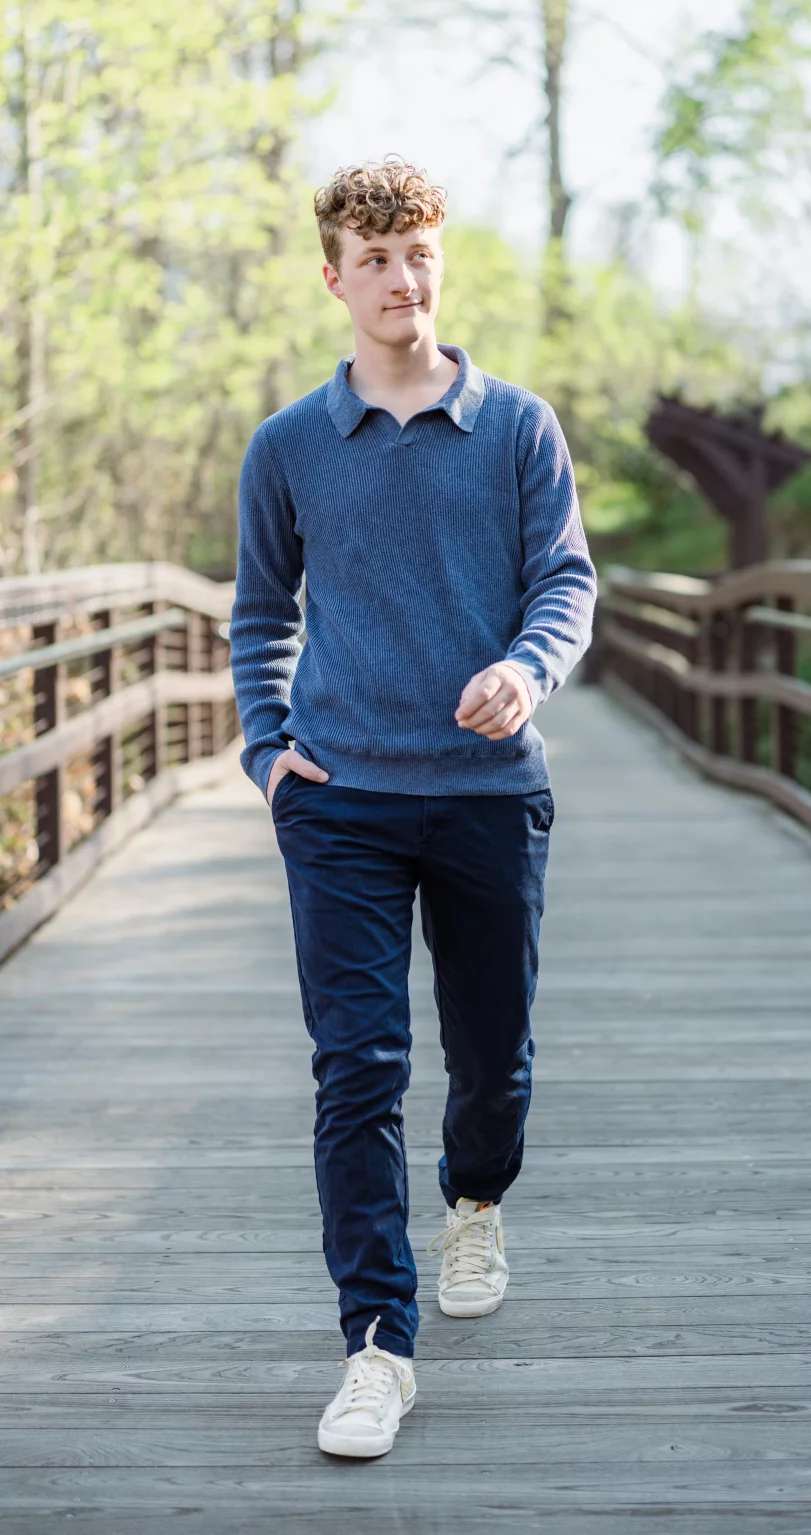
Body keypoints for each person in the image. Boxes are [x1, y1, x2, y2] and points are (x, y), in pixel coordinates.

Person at [229, 156, 596, 1459]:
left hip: (493, 795)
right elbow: (261, 614)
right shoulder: (287, 447)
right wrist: (265, 749)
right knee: (360, 1065)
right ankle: (378, 1343)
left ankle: (478, 1195)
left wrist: (525, 665)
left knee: (493, 1057)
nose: (400, 277)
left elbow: (566, 579)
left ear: (443, 260)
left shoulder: (515, 428)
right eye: (373, 258)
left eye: (419, 253)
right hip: (340, 804)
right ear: (334, 276)